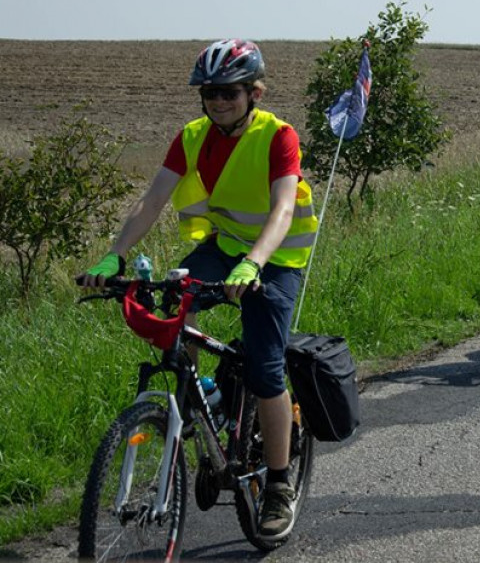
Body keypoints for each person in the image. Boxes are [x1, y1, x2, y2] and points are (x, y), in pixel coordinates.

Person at [77, 39, 317, 541]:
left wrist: (254, 264)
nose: (218, 101)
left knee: (266, 368)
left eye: (229, 91)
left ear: (253, 92)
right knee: (171, 313)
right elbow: (152, 200)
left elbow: (281, 211)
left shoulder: (279, 136)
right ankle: (204, 394)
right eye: (209, 92)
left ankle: (277, 486)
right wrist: (114, 254)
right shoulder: (191, 137)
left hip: (276, 257)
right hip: (223, 247)